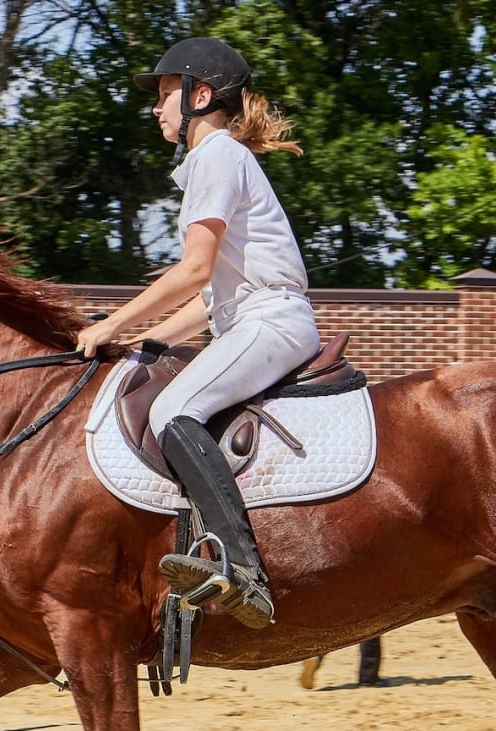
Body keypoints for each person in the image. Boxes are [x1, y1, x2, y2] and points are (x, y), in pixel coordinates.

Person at [75, 37, 319, 629]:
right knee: (168, 388)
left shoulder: (216, 156)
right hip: (250, 317)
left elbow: (194, 271)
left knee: (171, 410)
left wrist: (109, 322)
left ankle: (242, 569)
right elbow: (209, 305)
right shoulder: (217, 160)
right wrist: (146, 341)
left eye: (165, 95)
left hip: (271, 319)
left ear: (200, 96)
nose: (156, 109)